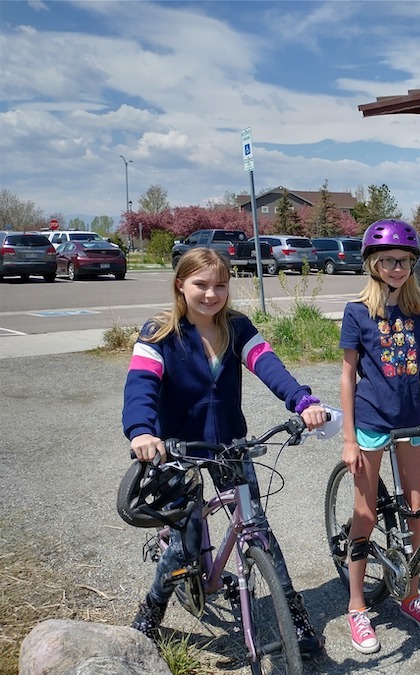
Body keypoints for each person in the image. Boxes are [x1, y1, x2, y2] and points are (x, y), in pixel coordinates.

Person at [122, 247, 328, 660]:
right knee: (185, 544)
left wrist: (302, 401)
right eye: (201, 284)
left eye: (220, 285)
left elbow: (268, 365)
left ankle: (294, 613)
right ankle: (151, 610)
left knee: (260, 533)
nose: (211, 294)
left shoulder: (235, 327)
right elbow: (140, 387)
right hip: (177, 450)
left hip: (231, 444)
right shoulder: (159, 334)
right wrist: (142, 431)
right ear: (180, 284)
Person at [339, 219, 420, 654]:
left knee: (416, 510)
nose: (396, 267)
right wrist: (348, 438)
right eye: (387, 260)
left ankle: (410, 596)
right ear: (372, 263)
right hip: (370, 421)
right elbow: (348, 378)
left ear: (412, 264)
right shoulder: (357, 312)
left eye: (403, 261)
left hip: (412, 423)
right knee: (365, 514)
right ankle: (356, 606)